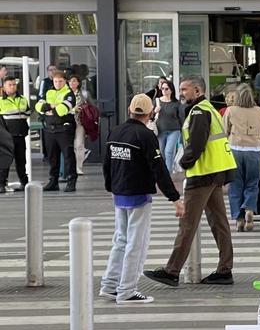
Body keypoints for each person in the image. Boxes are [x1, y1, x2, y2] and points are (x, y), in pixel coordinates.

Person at [143, 76, 238, 288]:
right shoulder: (208, 108)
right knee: (219, 222)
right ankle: (225, 269)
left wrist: (184, 164)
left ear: (197, 90)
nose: (182, 92)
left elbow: (197, 144)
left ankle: (172, 271)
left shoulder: (198, 111)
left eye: (185, 89)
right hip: (215, 172)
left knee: (188, 223)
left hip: (202, 173)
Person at [100, 93, 181, 304]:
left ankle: (109, 285)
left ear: (129, 109)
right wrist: (175, 198)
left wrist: (111, 186)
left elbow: (107, 164)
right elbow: (159, 169)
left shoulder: (115, 131)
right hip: (138, 194)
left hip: (119, 193)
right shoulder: (145, 136)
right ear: (150, 113)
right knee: (136, 242)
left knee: (120, 240)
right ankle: (127, 290)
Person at [223, 83, 260, 232]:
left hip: (235, 150)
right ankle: (249, 209)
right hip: (254, 150)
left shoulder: (230, 111)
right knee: (252, 183)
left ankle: (239, 218)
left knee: (236, 184)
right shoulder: (259, 111)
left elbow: (224, 130)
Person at [35, 69, 77, 192]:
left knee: (68, 156)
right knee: (52, 156)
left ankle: (71, 180)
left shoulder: (69, 94)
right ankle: (53, 181)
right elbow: (39, 107)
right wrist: (51, 106)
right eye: (55, 81)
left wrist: (49, 107)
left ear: (65, 81)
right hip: (49, 129)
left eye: (60, 81)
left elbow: (62, 110)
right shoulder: (49, 92)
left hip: (64, 129)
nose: (57, 83)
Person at [0, 76, 31, 190]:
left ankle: (24, 183)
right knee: (5, 161)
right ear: (4, 87)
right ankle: (1, 184)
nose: (12, 87)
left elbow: (27, 113)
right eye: (10, 85)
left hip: (20, 135)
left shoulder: (22, 99)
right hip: (5, 137)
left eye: (14, 84)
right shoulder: (0, 100)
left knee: (21, 160)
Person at [154, 79, 186, 173]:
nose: (164, 91)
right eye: (162, 88)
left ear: (171, 90)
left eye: (166, 89)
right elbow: (150, 116)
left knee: (169, 151)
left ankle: (168, 173)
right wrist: (155, 111)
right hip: (160, 130)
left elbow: (181, 118)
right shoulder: (157, 101)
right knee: (162, 152)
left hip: (174, 130)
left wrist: (182, 130)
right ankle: (163, 171)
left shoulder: (176, 104)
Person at [67, 75, 90, 174]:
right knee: (69, 146)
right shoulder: (64, 94)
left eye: (74, 81)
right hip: (67, 121)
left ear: (78, 83)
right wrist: (73, 109)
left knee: (79, 145)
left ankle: (78, 167)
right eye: (70, 81)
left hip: (80, 122)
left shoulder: (83, 94)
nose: (72, 83)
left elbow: (90, 107)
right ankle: (69, 168)